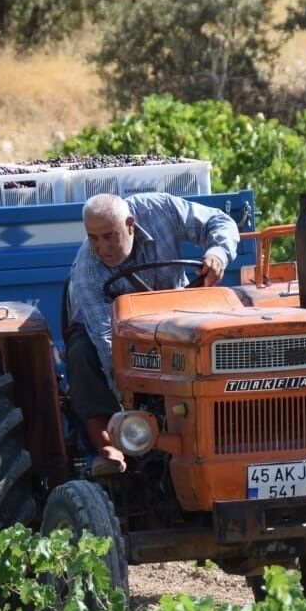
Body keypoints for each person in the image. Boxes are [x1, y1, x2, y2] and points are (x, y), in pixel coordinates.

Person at [65, 191, 240, 475]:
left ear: (131, 225)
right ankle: (109, 445)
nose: (102, 248)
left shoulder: (161, 210)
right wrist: (131, 406)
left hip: (177, 314)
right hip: (120, 332)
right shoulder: (87, 272)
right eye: (93, 238)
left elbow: (220, 222)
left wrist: (217, 253)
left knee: (218, 337)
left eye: (109, 236)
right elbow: (108, 344)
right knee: (81, 353)